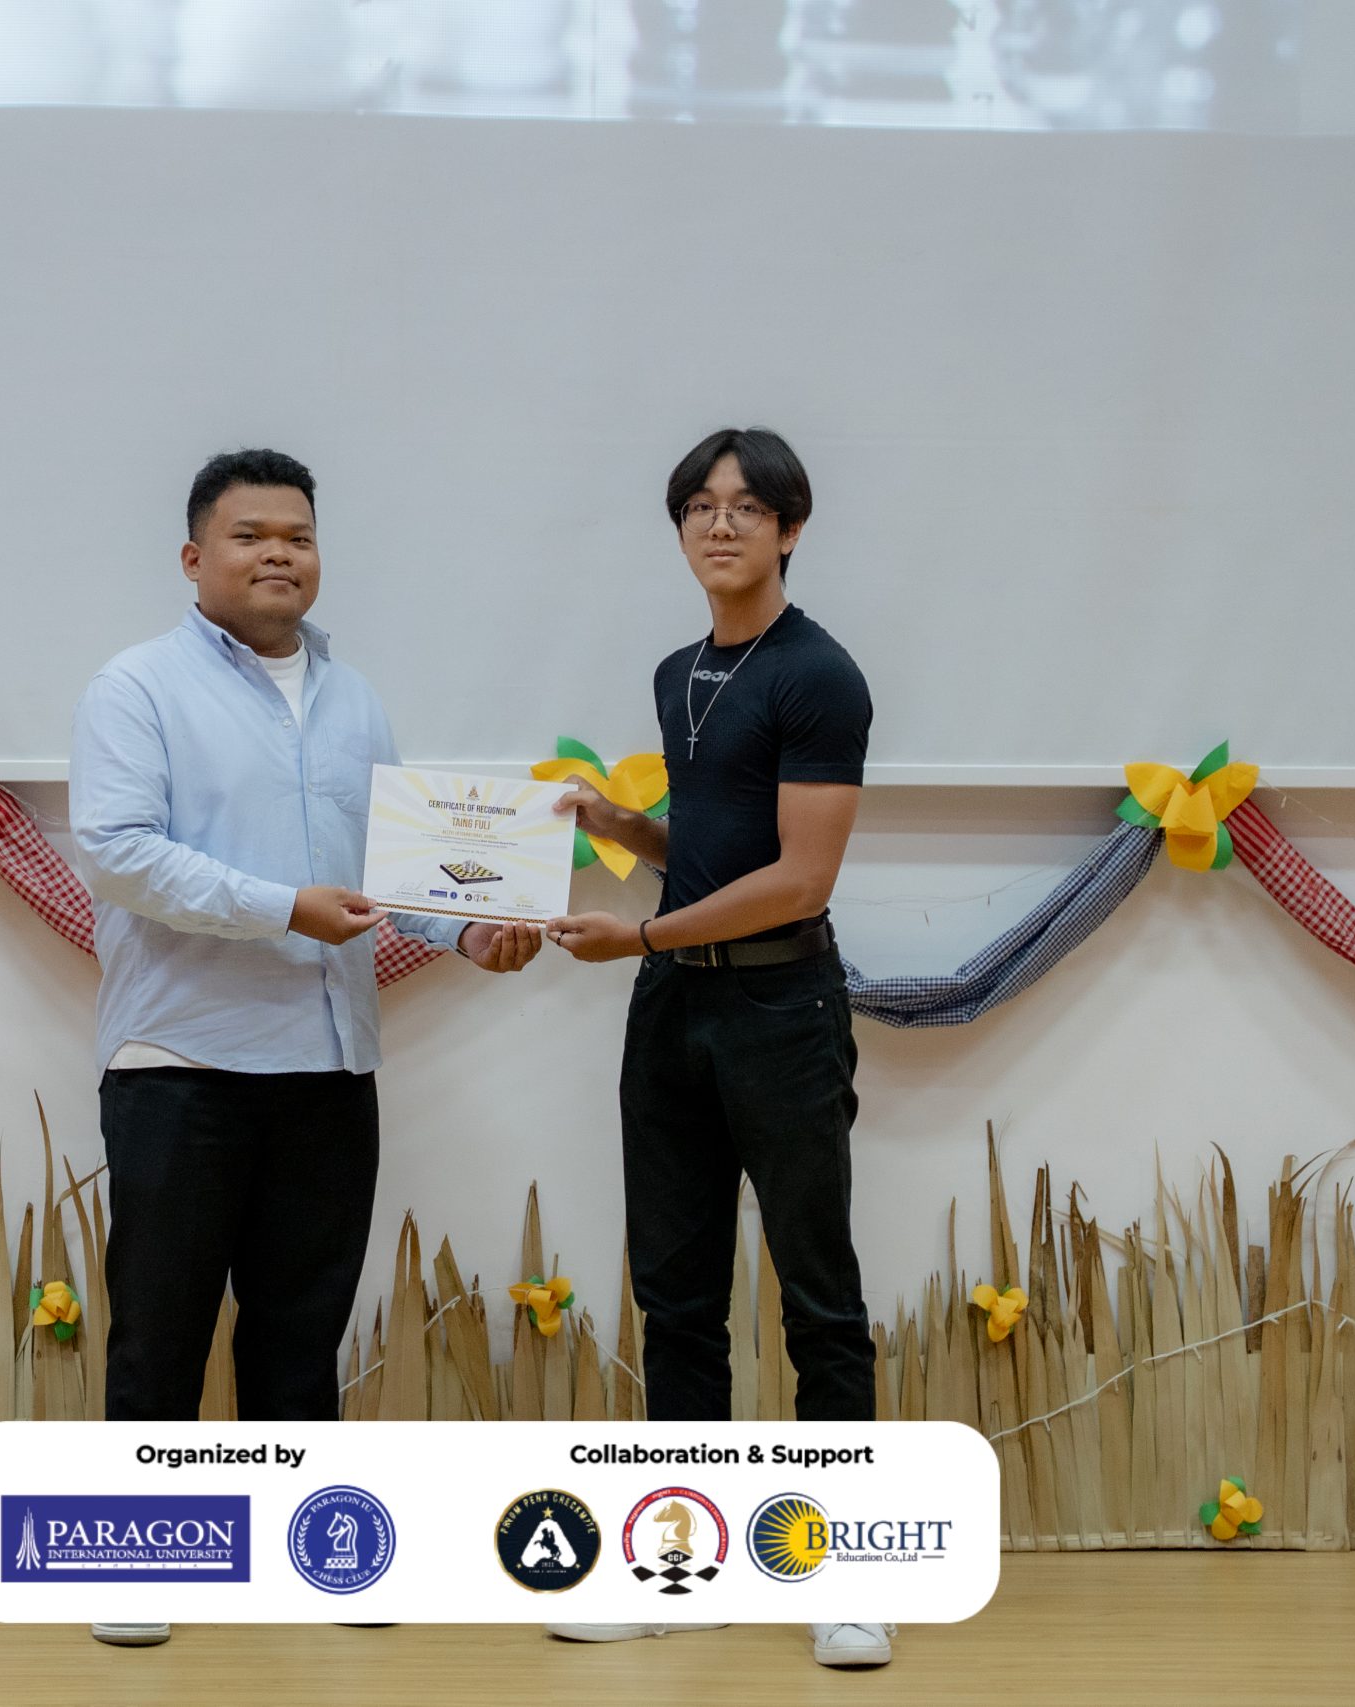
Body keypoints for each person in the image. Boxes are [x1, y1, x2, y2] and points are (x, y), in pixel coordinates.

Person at [70, 447, 543, 1647]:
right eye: (249, 536)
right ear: (194, 558)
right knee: (163, 1326)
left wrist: (468, 928)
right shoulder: (135, 688)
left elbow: (394, 872)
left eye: (298, 536)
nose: (278, 554)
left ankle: (309, 1556)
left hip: (329, 1065)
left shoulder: (354, 699)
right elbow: (119, 854)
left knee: (301, 1328)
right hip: (182, 1061)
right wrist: (284, 906)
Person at [543, 427, 889, 1669]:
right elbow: (706, 846)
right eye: (699, 504)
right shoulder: (676, 671)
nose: (721, 523)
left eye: (747, 506)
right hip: (671, 1017)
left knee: (817, 1297)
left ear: (791, 528)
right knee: (677, 1300)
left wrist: (638, 935)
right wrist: (615, 821)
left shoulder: (820, 675)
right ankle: (683, 1570)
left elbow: (798, 880)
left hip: (780, 1012)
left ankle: (845, 1579)